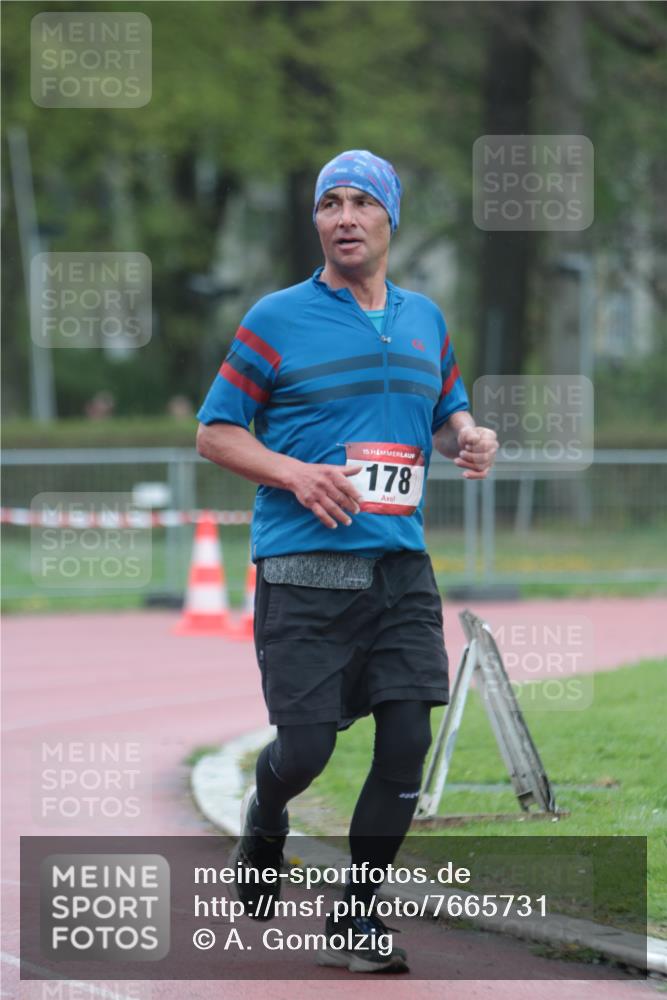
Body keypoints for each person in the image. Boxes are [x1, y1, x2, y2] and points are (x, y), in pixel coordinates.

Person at [196, 149, 498, 974]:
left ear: (388, 218)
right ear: (317, 223)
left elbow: (445, 411)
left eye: (362, 202)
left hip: (400, 569)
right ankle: (267, 814)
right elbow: (215, 433)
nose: (344, 218)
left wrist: (468, 436)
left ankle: (355, 916)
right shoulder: (276, 319)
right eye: (329, 203)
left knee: (405, 741)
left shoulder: (424, 319)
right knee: (305, 753)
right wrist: (294, 473)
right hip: (304, 570)